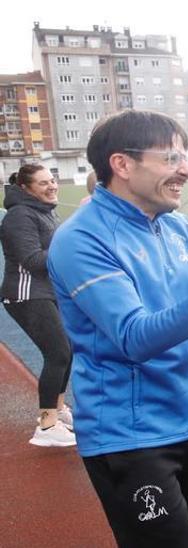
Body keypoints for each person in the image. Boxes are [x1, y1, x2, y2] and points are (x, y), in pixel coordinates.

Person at [46, 110, 188, 547]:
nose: (187, 170)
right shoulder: (81, 239)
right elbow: (134, 336)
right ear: (123, 164)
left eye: (185, 157)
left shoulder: (177, 225)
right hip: (129, 436)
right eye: (172, 157)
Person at [2, 163, 76, 447]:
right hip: (26, 294)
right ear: (25, 188)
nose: (52, 186)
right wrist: (70, 247)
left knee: (66, 351)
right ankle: (46, 426)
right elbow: (32, 260)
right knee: (57, 352)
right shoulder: (19, 216)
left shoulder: (43, 211)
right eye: (43, 183)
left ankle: (57, 410)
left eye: (52, 180)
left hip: (46, 293)